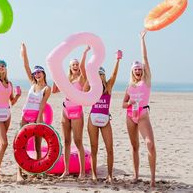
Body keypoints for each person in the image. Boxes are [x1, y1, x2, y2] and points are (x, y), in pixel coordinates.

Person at [82, 49, 122, 183]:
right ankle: (94, 174)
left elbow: (115, 74)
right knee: (94, 148)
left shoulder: (108, 87)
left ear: (103, 75)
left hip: (105, 119)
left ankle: (109, 175)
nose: (98, 76)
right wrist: (89, 75)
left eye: (100, 74)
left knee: (109, 148)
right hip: (92, 119)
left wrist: (118, 60)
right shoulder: (92, 88)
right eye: (96, 74)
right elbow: (83, 91)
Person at [122, 30, 156, 187]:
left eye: (140, 69)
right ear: (132, 71)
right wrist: (128, 104)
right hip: (130, 116)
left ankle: (153, 178)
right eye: (136, 69)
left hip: (142, 115)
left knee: (150, 144)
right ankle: (135, 175)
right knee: (134, 146)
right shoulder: (129, 86)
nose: (138, 71)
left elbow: (145, 58)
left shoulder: (146, 81)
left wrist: (142, 39)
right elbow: (123, 104)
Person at [52, 47, 90, 179]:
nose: (75, 66)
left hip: (77, 111)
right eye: (73, 64)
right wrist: (55, 74)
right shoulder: (66, 79)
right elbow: (54, 90)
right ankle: (66, 170)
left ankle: (82, 173)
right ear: (70, 67)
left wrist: (84, 53)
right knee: (67, 141)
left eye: (77, 64)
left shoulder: (81, 78)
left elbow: (84, 68)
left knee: (78, 141)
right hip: (65, 110)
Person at [17, 42, 51, 182]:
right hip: (26, 115)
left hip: (37, 116)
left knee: (38, 146)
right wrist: (24, 52)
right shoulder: (32, 84)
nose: (36, 74)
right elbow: (26, 66)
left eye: (38, 72)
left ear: (43, 73)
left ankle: (38, 170)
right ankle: (19, 172)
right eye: (35, 73)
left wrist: (38, 119)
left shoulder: (47, 88)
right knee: (20, 145)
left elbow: (42, 105)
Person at [0, 33, 21, 182]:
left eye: (2, 65)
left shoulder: (9, 84)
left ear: (6, 68)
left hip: (7, 114)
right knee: (4, 143)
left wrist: (18, 96)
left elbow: (12, 102)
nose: (0, 67)